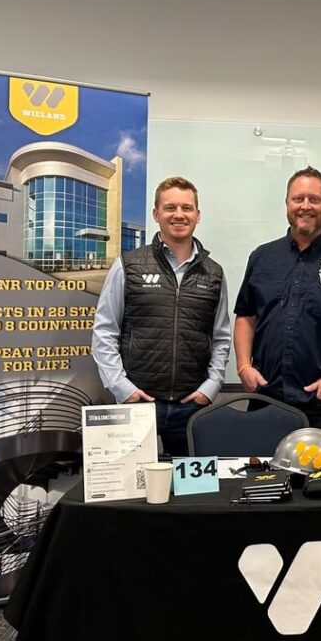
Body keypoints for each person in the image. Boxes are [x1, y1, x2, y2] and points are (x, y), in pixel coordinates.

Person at [233, 166, 321, 452]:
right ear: (287, 203)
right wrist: (243, 365)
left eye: (315, 199)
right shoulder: (261, 257)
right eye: (298, 199)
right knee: (261, 485)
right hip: (266, 398)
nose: (305, 206)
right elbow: (246, 315)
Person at [92, 176, 230, 456]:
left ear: (198, 215)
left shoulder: (214, 274)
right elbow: (105, 331)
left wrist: (211, 386)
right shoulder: (127, 266)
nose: (179, 215)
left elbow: (221, 337)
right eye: (170, 208)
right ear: (156, 214)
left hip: (192, 406)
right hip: (138, 404)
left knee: (191, 495)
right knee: (134, 493)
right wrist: (123, 389)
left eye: (187, 208)